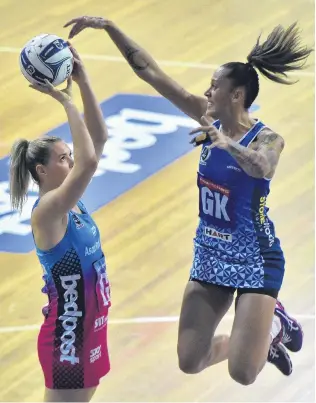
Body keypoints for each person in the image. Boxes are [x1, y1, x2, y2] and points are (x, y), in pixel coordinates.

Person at [64, 17, 312, 384]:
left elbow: (262, 168)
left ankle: (272, 324)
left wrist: (226, 143)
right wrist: (108, 27)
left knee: (244, 373)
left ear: (236, 95)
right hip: (211, 253)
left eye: (215, 87)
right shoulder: (205, 114)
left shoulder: (267, 138)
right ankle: (260, 335)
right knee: (190, 360)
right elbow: (151, 72)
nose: (207, 92)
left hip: (256, 257)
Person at [10, 46, 110, 402]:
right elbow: (89, 161)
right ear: (41, 171)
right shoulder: (49, 210)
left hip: (91, 325)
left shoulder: (73, 202)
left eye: (70, 156)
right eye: (63, 159)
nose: (71, 161)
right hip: (68, 334)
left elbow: (97, 140)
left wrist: (83, 83)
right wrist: (66, 102)